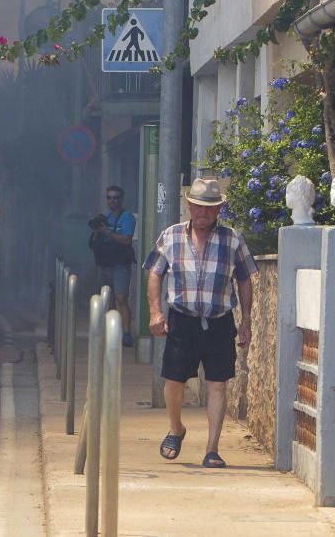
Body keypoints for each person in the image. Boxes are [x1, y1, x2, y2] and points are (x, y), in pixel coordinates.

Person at [142, 178, 257, 469]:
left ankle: (212, 449)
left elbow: (244, 278)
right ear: (189, 206)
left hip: (219, 320)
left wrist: (246, 322)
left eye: (209, 208)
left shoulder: (232, 239)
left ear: (219, 208)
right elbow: (155, 272)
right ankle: (175, 428)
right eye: (197, 207)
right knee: (173, 380)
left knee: (217, 384)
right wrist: (155, 312)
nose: (202, 213)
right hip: (182, 319)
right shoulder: (171, 235)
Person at [88, 185, 137, 347]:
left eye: (115, 197)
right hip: (105, 263)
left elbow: (127, 240)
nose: (112, 200)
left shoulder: (127, 217)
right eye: (109, 197)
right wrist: (97, 230)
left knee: (121, 298)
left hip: (120, 264)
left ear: (121, 199)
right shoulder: (105, 217)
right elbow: (94, 243)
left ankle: (126, 332)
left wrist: (108, 232)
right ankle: (110, 331)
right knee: (107, 298)